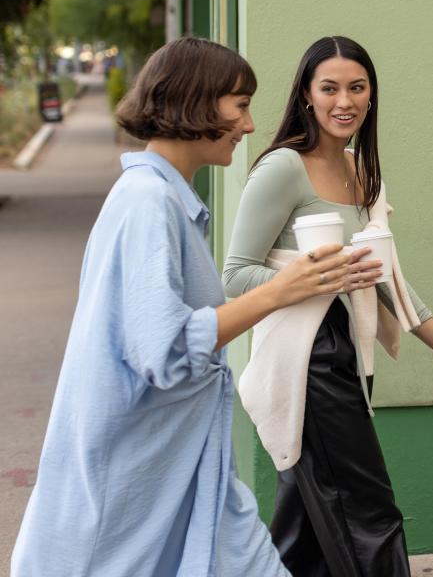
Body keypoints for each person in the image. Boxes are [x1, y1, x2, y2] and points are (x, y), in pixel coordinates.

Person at [11, 36, 362, 576]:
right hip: (134, 484)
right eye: (240, 106)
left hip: (190, 474)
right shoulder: (147, 204)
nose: (249, 126)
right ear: (195, 103)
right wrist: (280, 291)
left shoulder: (165, 201)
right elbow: (166, 348)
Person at [223, 35, 433, 576]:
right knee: (366, 512)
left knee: (308, 529)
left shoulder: (362, 172)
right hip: (309, 361)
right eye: (330, 88)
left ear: (371, 96)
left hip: (350, 353)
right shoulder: (282, 168)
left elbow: (387, 278)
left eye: (357, 88)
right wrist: (317, 277)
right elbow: (234, 276)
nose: (344, 101)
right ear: (306, 95)